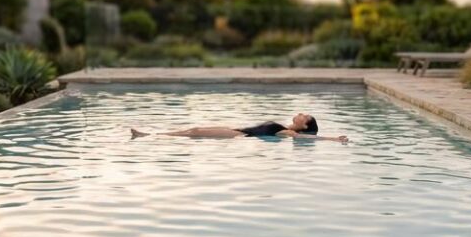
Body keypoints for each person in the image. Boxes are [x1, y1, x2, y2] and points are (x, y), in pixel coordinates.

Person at [130, 113, 348, 142]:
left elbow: (307, 139)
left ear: (304, 125)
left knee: (195, 133)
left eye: (304, 116)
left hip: (237, 135)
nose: (300, 113)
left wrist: (333, 140)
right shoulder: (283, 126)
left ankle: (149, 135)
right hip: (235, 130)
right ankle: (152, 134)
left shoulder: (286, 132)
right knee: (194, 129)